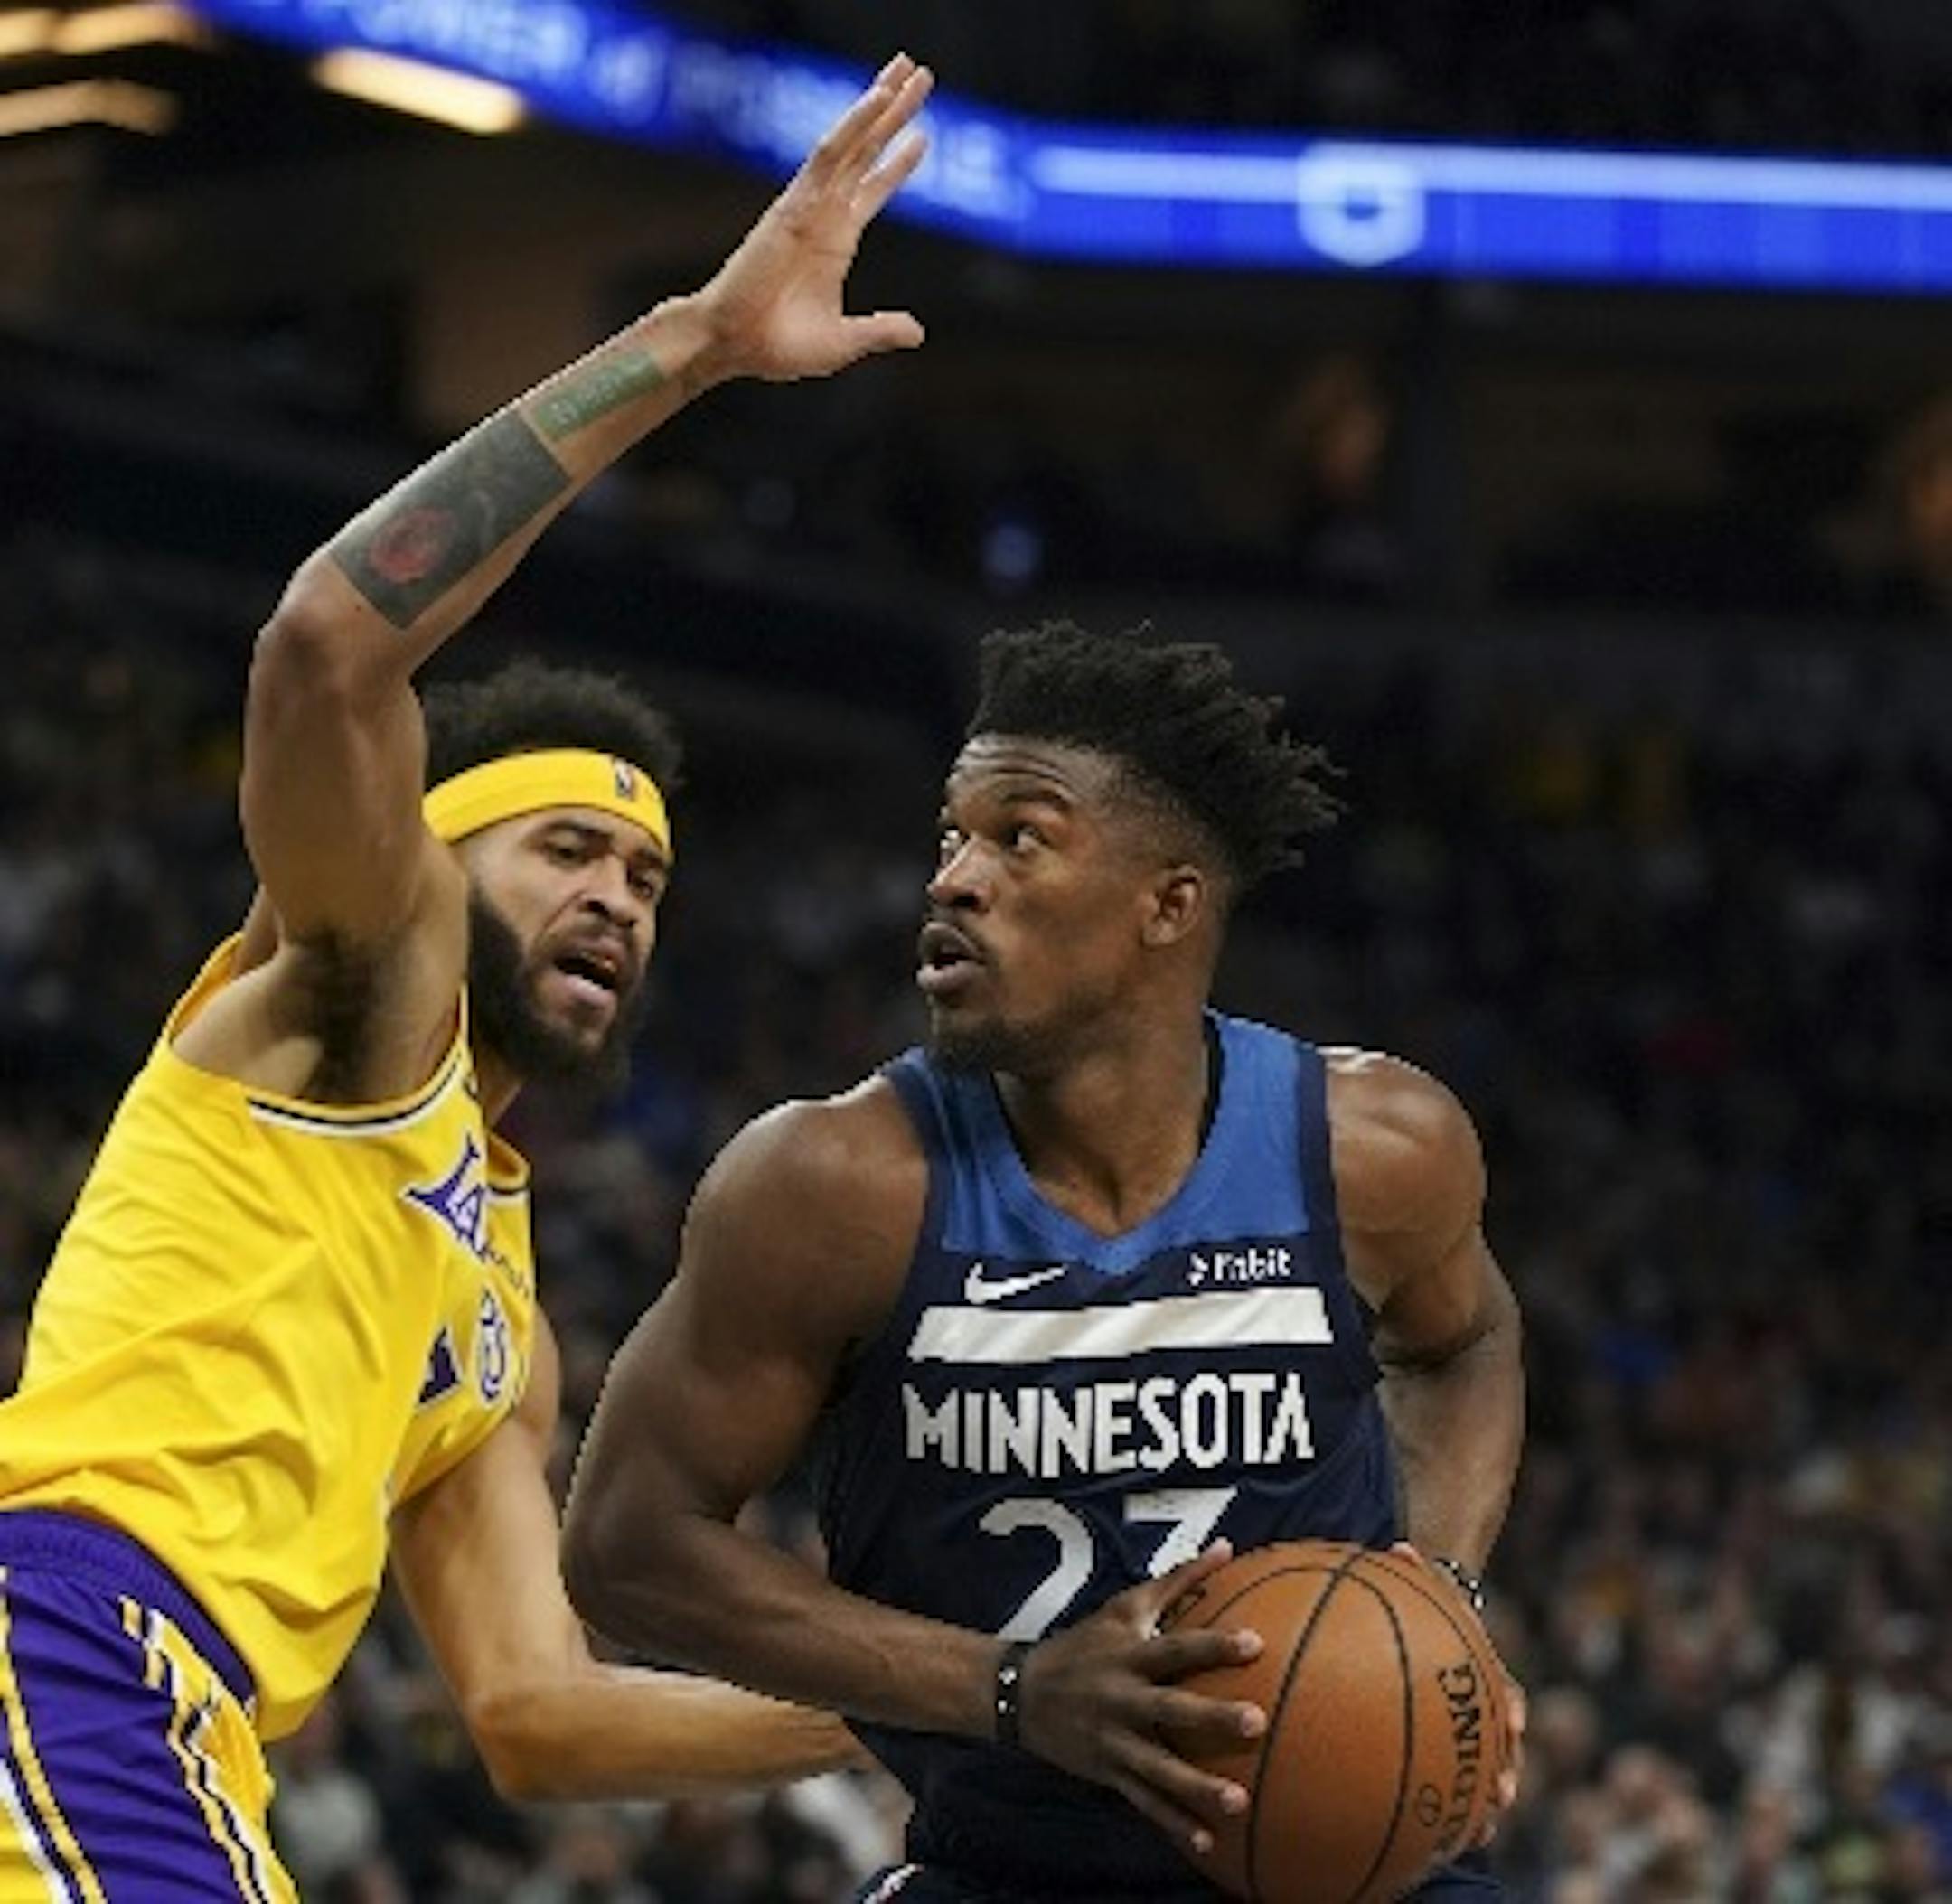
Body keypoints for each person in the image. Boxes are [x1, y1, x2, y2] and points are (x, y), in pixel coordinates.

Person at [0, 54, 935, 1900]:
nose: (617, 898)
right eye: (568, 849)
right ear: (441, 856)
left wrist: (942, 1705)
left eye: (649, 875)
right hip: (68, 1645)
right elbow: (329, 640)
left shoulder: (495, 1311)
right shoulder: (368, 990)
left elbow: (533, 1708)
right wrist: (694, 343)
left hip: (179, 1729)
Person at [564, 622, 1530, 1899]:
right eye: (952, 838)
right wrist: (1012, 1690)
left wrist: (1438, 1601)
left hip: (1343, 1875)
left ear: (1168, 905)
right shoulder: (830, 1188)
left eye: (1019, 837)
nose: (953, 881)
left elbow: (1465, 1344)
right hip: (1010, 1867)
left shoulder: (1376, 1148)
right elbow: (628, 1547)